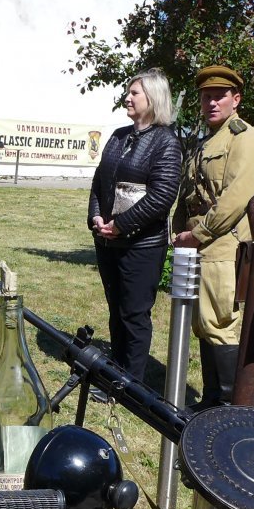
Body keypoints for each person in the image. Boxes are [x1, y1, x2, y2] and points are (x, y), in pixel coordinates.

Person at [171, 64, 254, 408]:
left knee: (219, 322)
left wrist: (198, 234)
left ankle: (226, 404)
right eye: (206, 97)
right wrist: (179, 231)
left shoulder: (245, 139)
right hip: (198, 243)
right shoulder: (206, 141)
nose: (212, 102)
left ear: (235, 99)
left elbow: (235, 197)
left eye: (219, 96)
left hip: (223, 243)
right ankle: (211, 400)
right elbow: (188, 194)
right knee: (202, 321)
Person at [88, 68, 182, 393]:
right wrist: (96, 217)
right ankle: (116, 373)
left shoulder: (165, 142)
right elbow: (99, 182)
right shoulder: (118, 136)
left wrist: (122, 225)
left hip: (142, 246)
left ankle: (131, 385)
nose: (127, 98)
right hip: (108, 242)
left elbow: (162, 196)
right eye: (128, 93)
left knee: (134, 315)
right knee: (116, 310)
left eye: (134, 93)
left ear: (152, 99)